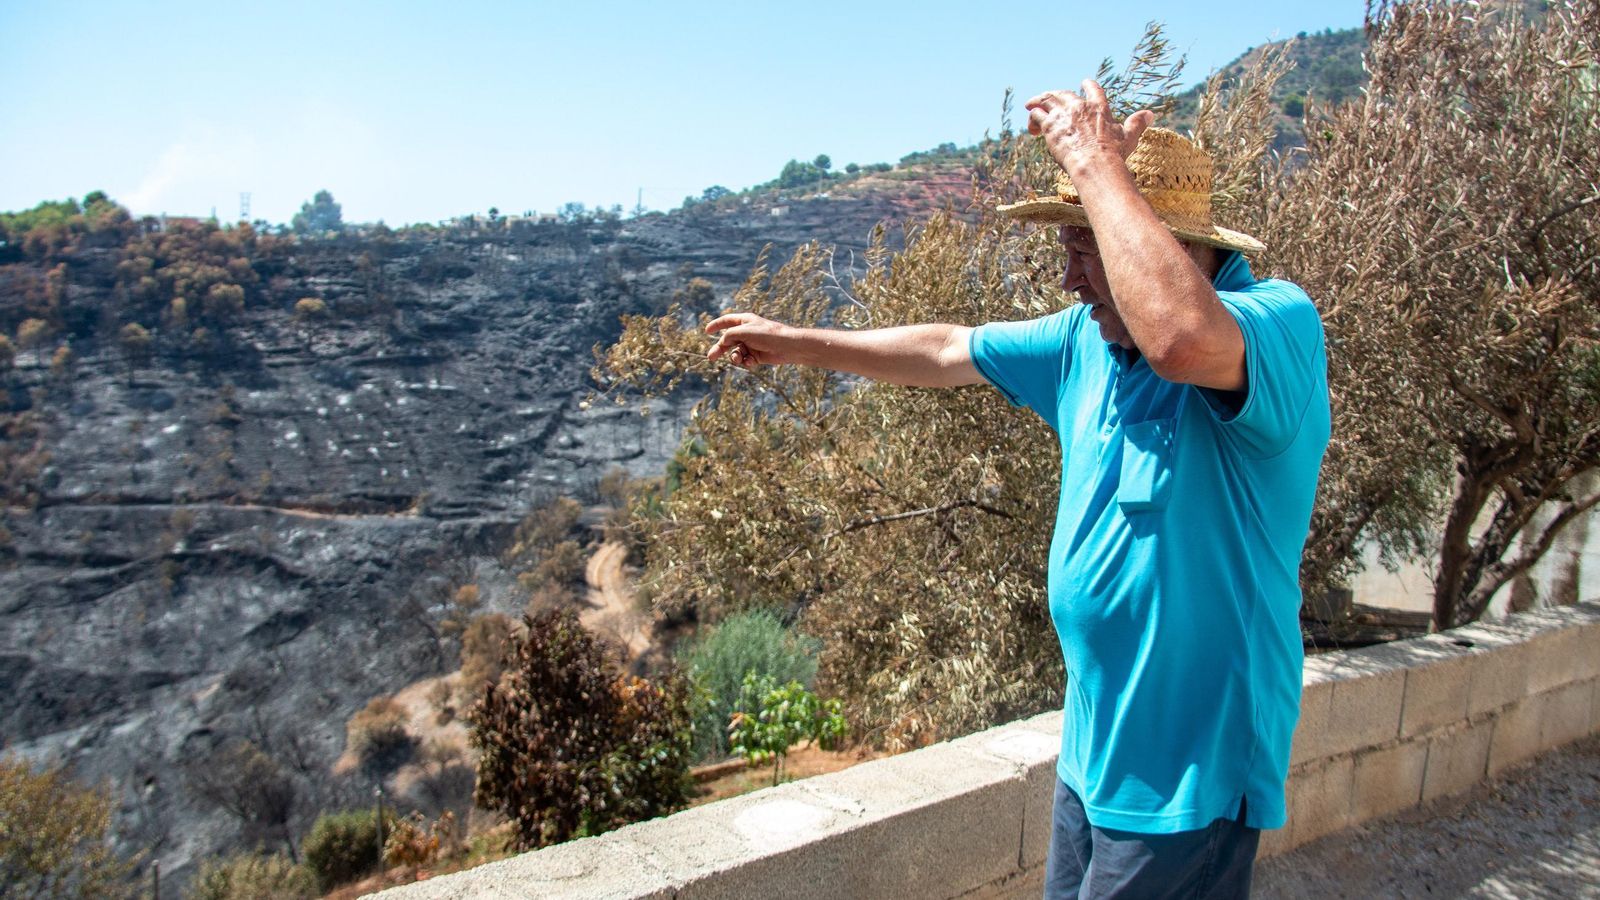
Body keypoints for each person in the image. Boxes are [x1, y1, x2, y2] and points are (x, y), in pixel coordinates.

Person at [704, 80, 1329, 900]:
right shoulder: (1087, 344)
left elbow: (1181, 338)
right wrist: (795, 344)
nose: (1070, 280)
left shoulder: (1275, 324)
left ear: (1164, 243)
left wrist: (1098, 164)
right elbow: (946, 350)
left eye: (1088, 246)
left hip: (1190, 783)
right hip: (1093, 760)